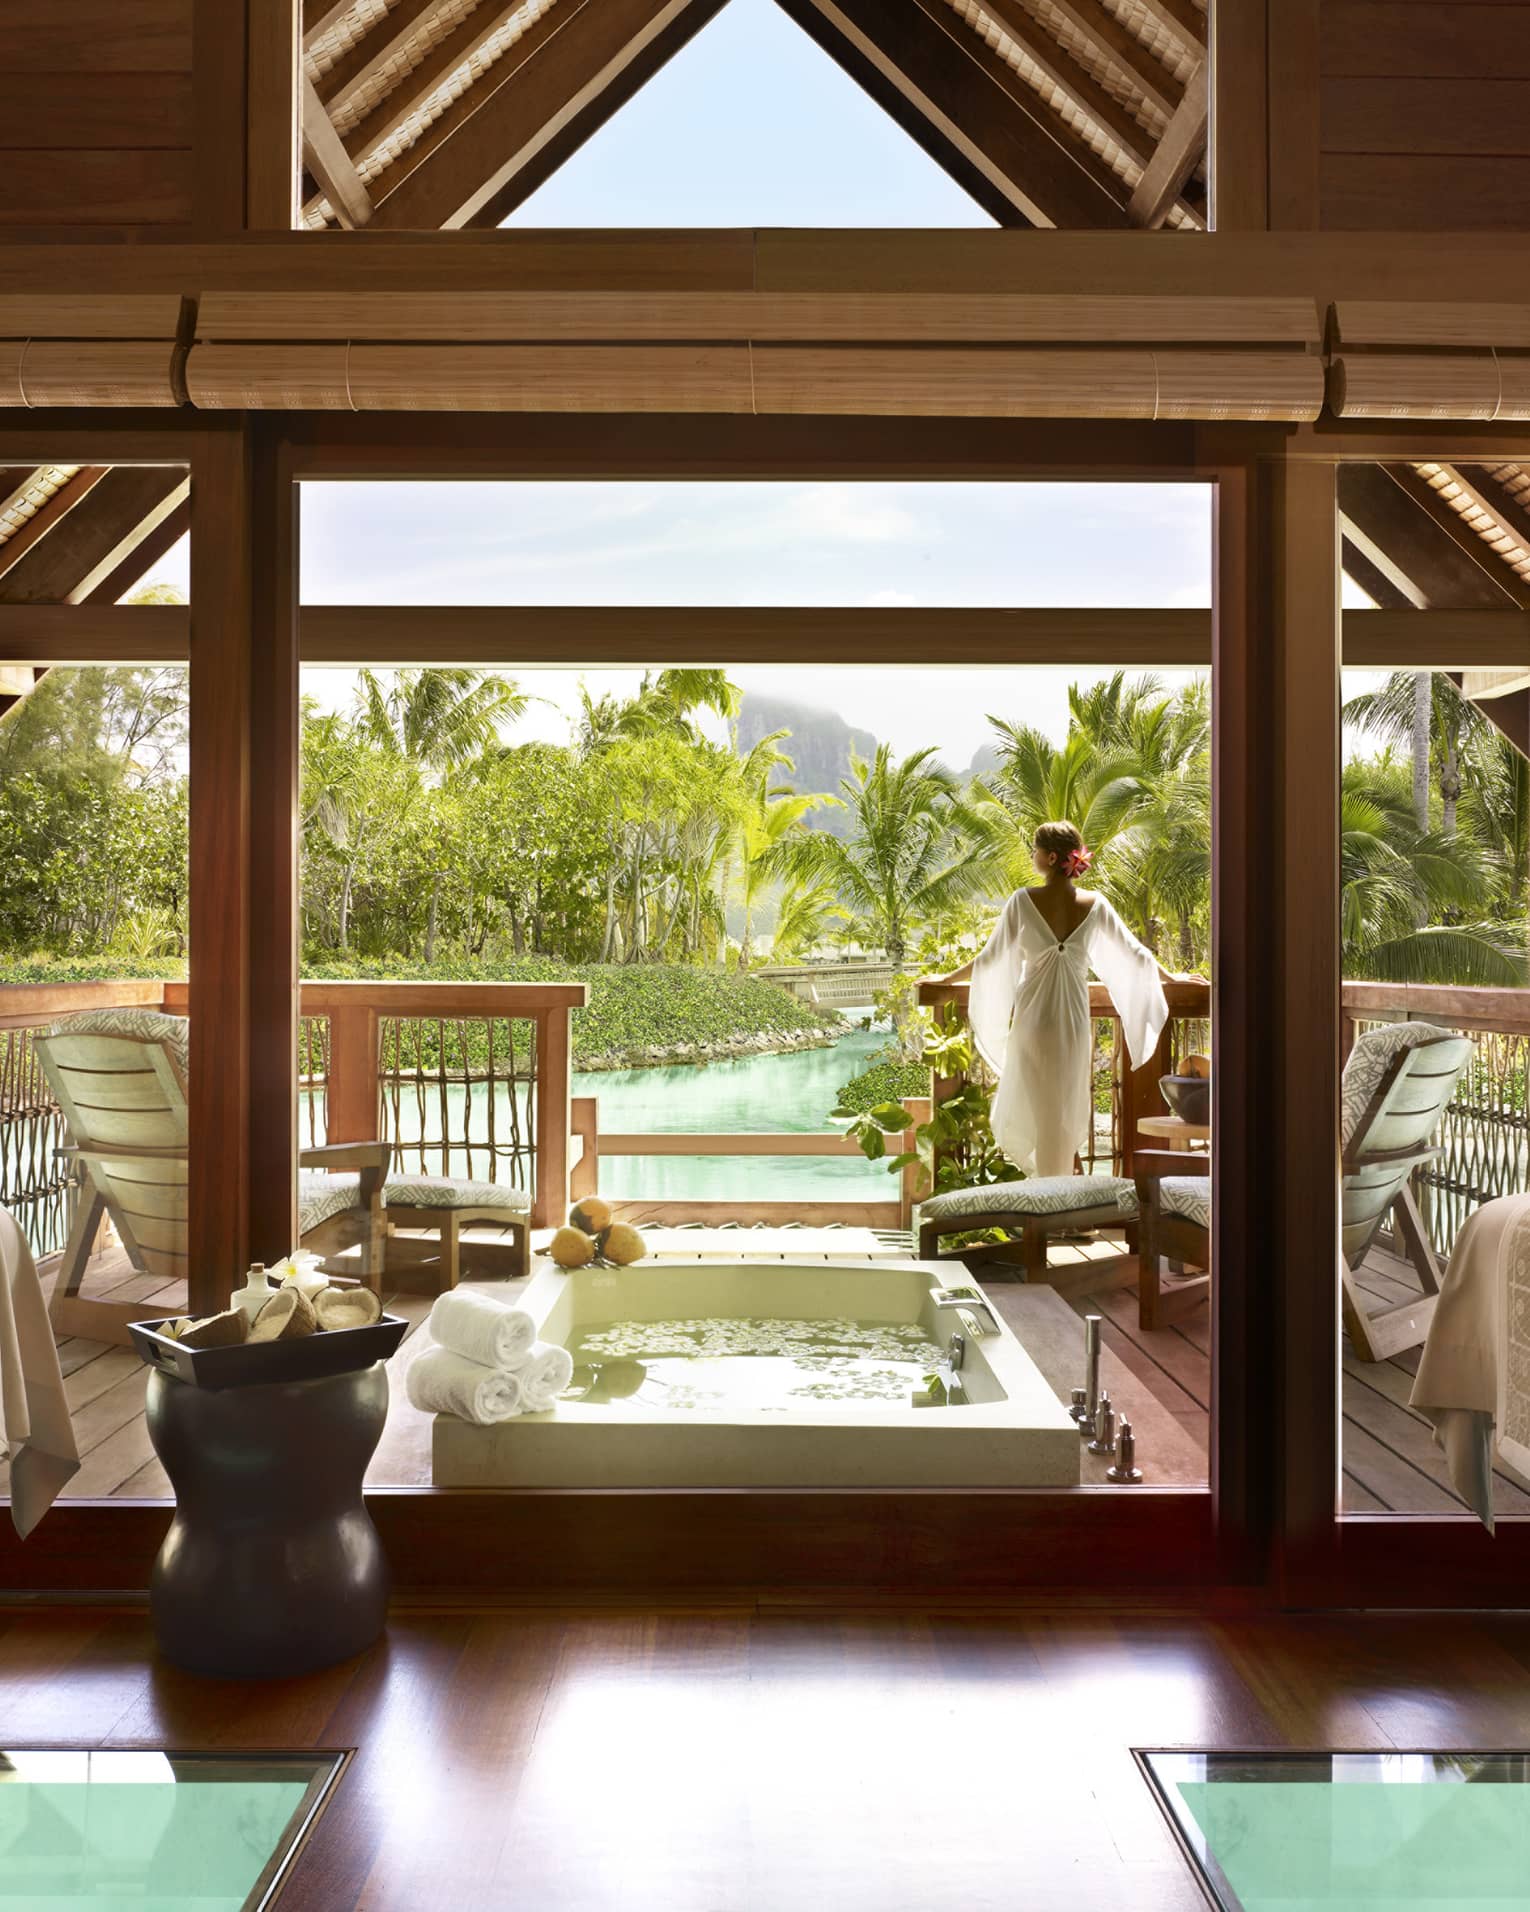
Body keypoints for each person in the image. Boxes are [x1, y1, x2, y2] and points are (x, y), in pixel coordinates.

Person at [967, 821, 1169, 1178]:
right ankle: (1058, 1192)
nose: (1032, 855)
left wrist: (945, 979)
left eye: (1035, 850)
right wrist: (1172, 977)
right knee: (1062, 1109)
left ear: (1050, 857)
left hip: (1033, 1020)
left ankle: (1045, 1191)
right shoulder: (1095, 904)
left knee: (1038, 1108)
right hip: (1073, 1021)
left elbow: (989, 958)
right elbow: (1136, 955)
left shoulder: (1023, 900)